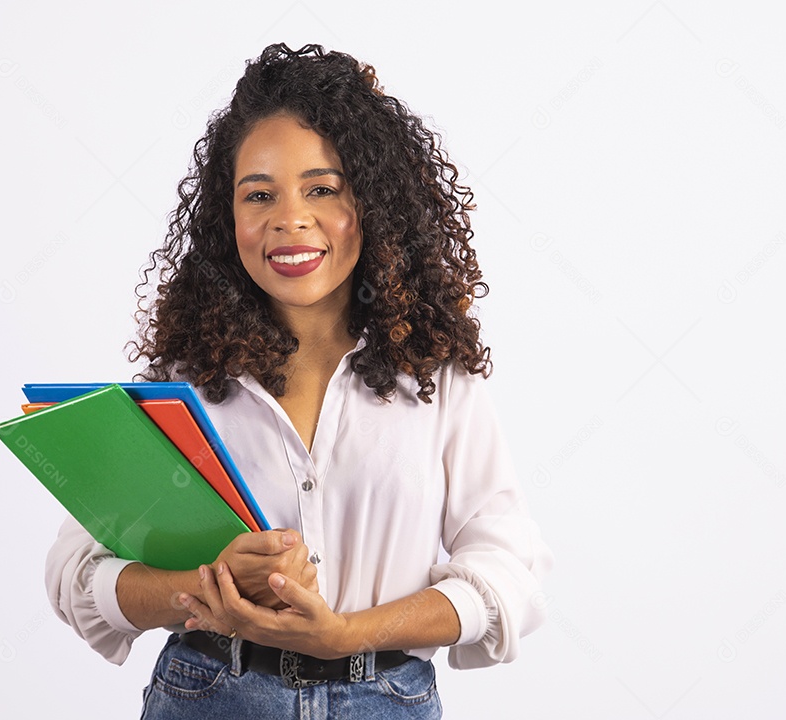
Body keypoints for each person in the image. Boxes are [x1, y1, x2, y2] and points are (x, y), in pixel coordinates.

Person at [45, 43, 553, 719]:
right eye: (260, 194)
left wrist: (344, 634)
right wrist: (207, 586)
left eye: (322, 188)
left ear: (370, 204)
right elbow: (77, 572)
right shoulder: (180, 387)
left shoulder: (436, 380)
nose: (290, 218)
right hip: (209, 696)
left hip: (386, 700)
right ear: (228, 220)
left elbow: (508, 574)